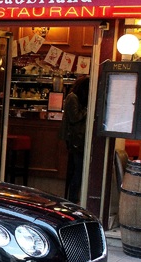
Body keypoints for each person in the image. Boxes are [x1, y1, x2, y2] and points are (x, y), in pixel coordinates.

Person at [59, 75, 90, 204]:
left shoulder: (75, 97)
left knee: (77, 168)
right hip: (75, 138)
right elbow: (74, 117)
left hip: (77, 137)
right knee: (78, 168)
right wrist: (88, 111)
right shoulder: (72, 97)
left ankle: (73, 196)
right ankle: (73, 197)